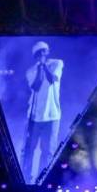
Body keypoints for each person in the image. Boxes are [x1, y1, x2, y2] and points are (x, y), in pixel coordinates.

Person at [22, 41, 63, 182]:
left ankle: (42, 180)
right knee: (29, 150)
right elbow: (36, 86)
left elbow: (52, 79)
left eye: (44, 51)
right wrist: (40, 67)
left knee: (48, 152)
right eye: (39, 53)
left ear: (48, 51)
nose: (42, 54)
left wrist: (44, 65)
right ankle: (26, 179)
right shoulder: (30, 71)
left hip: (52, 116)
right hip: (33, 117)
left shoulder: (58, 63)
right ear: (35, 56)